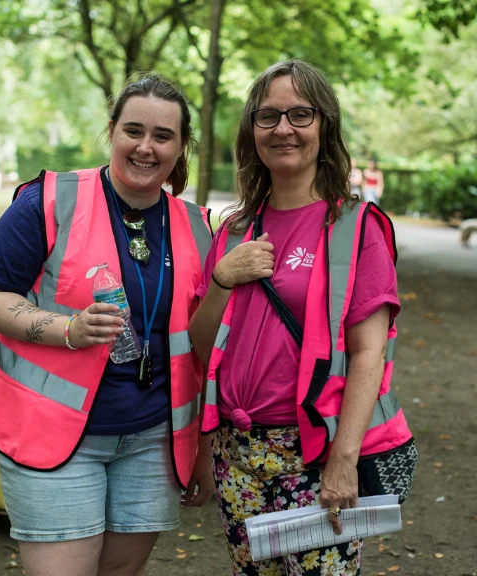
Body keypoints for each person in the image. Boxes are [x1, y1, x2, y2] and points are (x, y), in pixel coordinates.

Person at [0, 75, 215, 576]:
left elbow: (204, 345)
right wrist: (67, 330)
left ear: (181, 145)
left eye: (163, 136)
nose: (146, 147)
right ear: (111, 131)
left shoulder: (198, 224)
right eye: (133, 130)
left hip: (152, 441)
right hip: (52, 436)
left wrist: (205, 450)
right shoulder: (49, 201)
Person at [189, 60, 415, 576]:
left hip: (315, 455)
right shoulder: (234, 230)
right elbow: (202, 346)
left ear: (324, 125)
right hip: (238, 455)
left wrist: (343, 459)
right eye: (268, 116)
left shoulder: (357, 228)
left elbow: (368, 353)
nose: (283, 129)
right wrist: (223, 278)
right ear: (251, 130)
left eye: (300, 114)